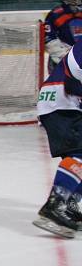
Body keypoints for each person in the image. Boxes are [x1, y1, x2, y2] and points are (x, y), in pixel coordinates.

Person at [34, 41, 82, 237]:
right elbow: (73, 67)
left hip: (67, 104)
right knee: (80, 153)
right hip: (61, 103)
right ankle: (56, 205)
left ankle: (69, 204)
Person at [44, 0, 82, 73]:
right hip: (62, 59)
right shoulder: (55, 14)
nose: (77, 0)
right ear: (66, 0)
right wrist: (64, 55)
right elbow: (48, 38)